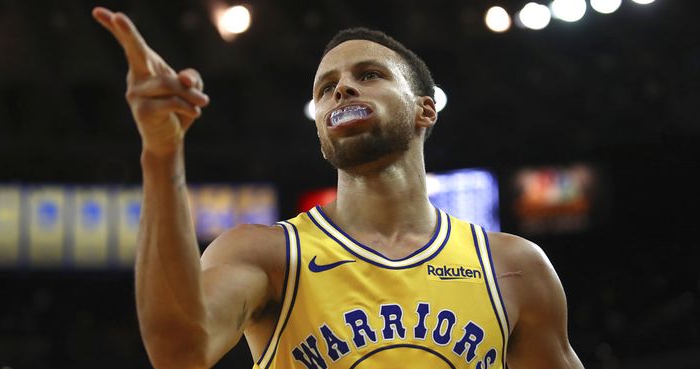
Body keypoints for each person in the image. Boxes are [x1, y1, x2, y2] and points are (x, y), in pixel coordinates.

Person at [92, 6, 585, 369]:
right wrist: (160, 154)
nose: (342, 89)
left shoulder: (515, 268)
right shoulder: (268, 255)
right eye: (326, 88)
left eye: (368, 75)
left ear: (424, 109)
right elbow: (178, 353)